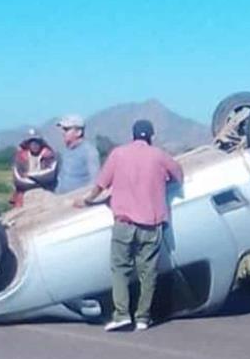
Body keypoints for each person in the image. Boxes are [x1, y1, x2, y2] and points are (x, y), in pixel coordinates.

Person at [75, 119, 184, 331]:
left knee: (120, 269)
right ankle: (143, 318)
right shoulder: (159, 155)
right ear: (150, 136)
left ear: (132, 135)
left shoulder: (118, 154)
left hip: (124, 222)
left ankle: (122, 314)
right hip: (151, 224)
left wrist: (87, 200)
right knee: (148, 273)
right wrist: (163, 184)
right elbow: (178, 175)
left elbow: (101, 184)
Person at [11, 128, 57, 208]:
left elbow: (50, 176)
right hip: (23, 195)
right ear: (27, 144)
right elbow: (18, 180)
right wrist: (39, 181)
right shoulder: (19, 157)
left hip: (45, 193)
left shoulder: (49, 156)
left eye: (37, 142)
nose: (34, 145)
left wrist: (30, 175)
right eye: (31, 142)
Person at [54, 114, 100, 194]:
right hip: (62, 200)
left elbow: (94, 180)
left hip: (78, 199)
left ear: (78, 132)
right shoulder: (66, 151)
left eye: (66, 129)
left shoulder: (89, 152)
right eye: (62, 129)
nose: (63, 133)